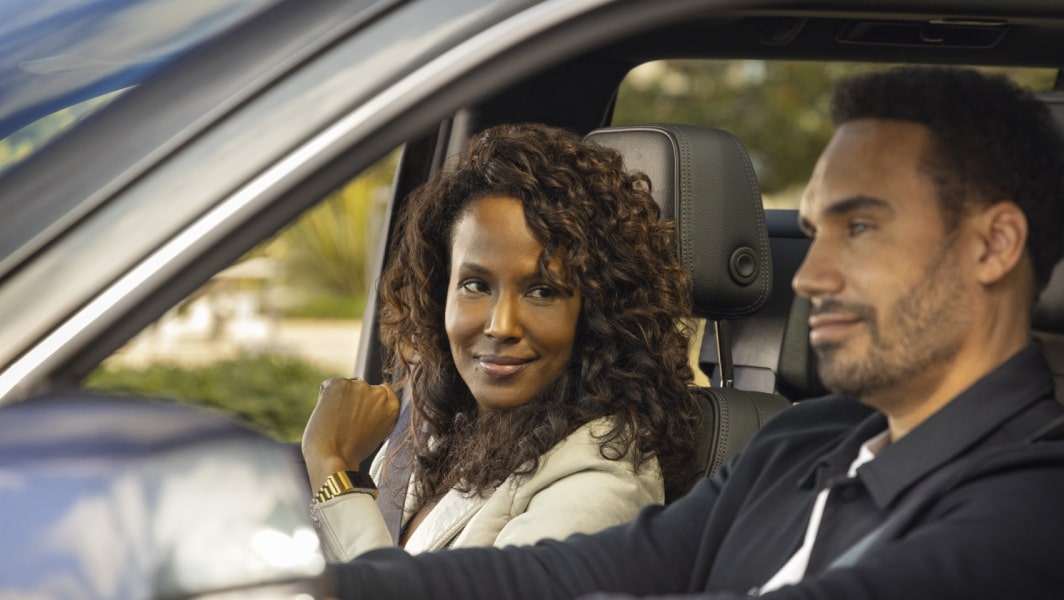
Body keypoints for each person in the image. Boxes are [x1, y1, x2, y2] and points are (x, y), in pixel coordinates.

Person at [327, 67, 1064, 599]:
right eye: (814, 232)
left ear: (993, 246)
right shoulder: (803, 443)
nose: (809, 276)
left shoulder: (1032, 509)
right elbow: (570, 574)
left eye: (861, 227)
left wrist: (333, 486)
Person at [301, 123, 701, 561]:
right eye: (475, 285)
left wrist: (333, 468)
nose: (501, 325)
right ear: (440, 294)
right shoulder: (439, 429)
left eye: (542, 291)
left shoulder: (601, 483)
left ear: (596, 313)